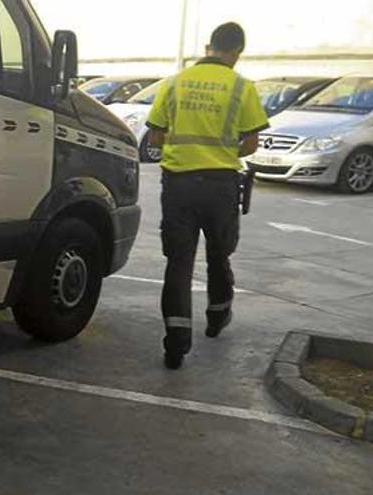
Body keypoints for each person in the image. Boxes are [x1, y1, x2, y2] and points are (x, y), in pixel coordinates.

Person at [146, 22, 268, 370]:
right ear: (237, 52)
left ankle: (176, 344)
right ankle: (217, 317)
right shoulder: (242, 87)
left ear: (208, 46)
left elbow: (154, 138)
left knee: (179, 262)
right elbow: (251, 143)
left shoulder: (174, 83)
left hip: (179, 185)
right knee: (219, 254)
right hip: (220, 186)